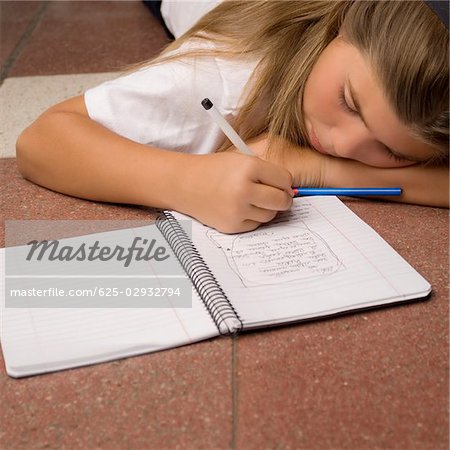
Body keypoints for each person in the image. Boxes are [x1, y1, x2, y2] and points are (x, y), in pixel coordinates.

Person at [16, 0, 449, 233]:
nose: (345, 145)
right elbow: (41, 140)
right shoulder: (225, 79)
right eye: (349, 102)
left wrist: (318, 166)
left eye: (391, 151)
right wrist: (186, 182)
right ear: (345, 19)